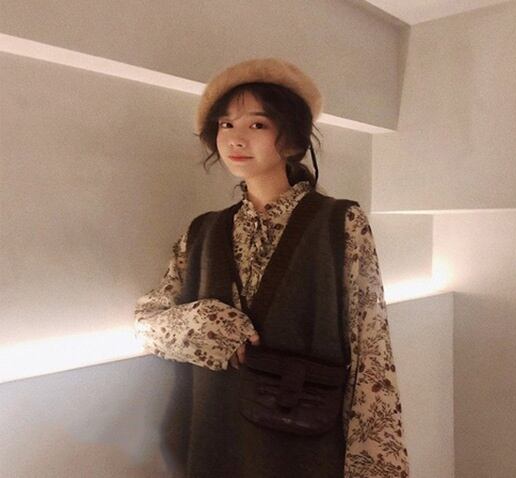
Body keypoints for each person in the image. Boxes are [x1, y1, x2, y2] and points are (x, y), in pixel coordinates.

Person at [134, 58, 409, 478]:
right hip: (216, 440)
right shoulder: (203, 231)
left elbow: (371, 352)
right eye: (226, 124)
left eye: (257, 124)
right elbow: (147, 324)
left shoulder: (340, 223)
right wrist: (208, 324)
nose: (236, 137)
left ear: (292, 140)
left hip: (305, 449)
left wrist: (372, 467)